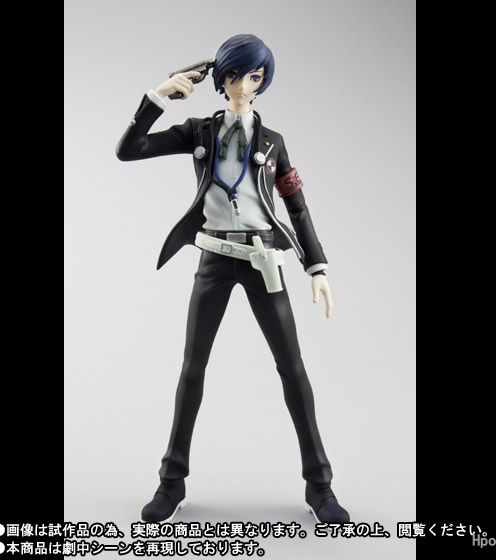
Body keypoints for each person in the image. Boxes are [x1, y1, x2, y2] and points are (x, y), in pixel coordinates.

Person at [116, 34, 349, 524]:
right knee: (192, 369)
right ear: (220, 79)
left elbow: (296, 205)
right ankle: (171, 481)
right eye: (235, 75)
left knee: (293, 369)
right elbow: (129, 150)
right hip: (214, 257)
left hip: (264, 259)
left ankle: (320, 485)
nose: (244, 86)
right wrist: (159, 95)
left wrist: (317, 266)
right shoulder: (198, 131)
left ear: (264, 81)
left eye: (254, 77)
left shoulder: (274, 142)